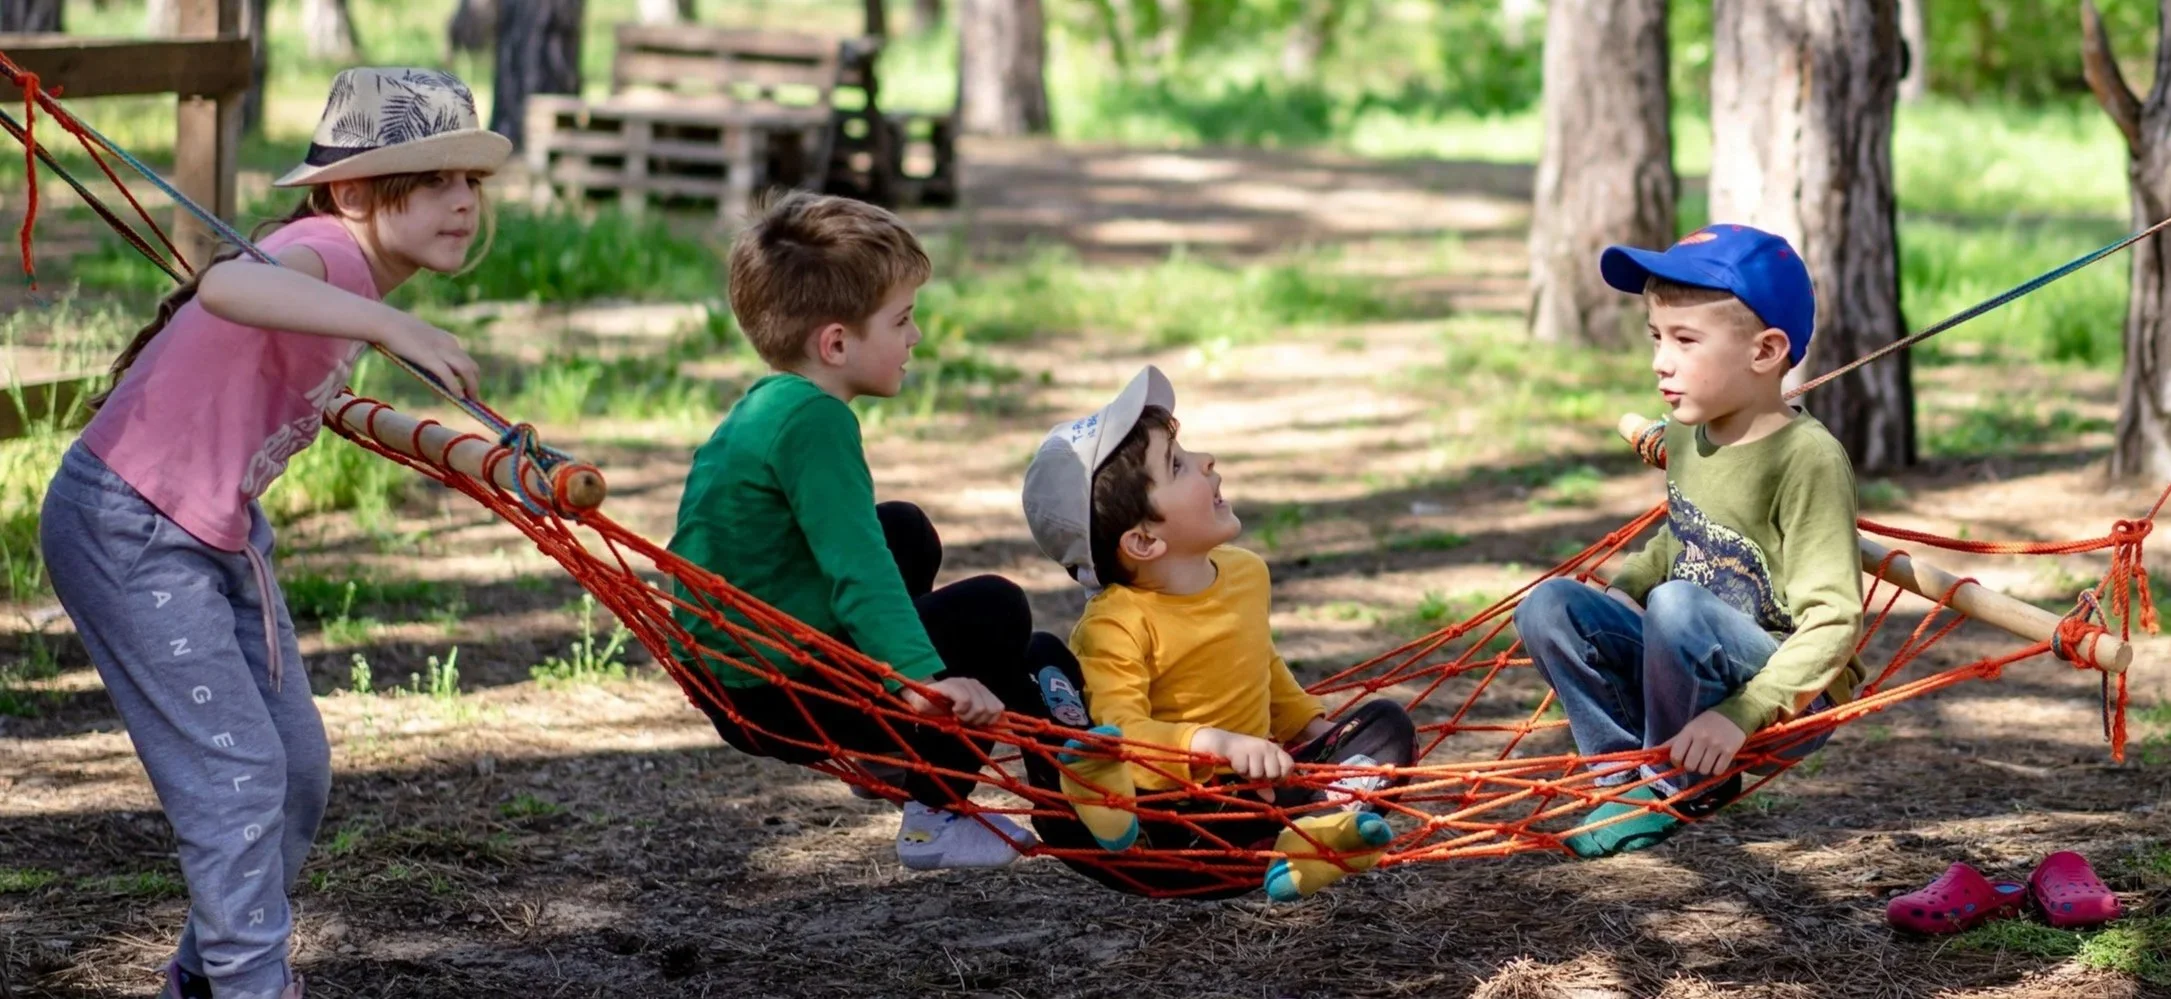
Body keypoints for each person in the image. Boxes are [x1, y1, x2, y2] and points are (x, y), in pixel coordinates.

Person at [40, 68, 507, 999]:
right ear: (351, 191)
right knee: (240, 774)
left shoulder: (341, 275)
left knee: (293, 771)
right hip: (129, 526)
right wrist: (388, 325)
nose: (463, 200)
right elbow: (228, 291)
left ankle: (206, 978)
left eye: (471, 180)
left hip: (211, 534)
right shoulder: (324, 255)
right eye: (433, 178)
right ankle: (254, 985)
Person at [668, 192, 1045, 873]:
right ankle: (936, 811)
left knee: (904, 526)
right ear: (836, 342)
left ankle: (886, 745)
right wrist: (923, 683)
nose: (915, 337)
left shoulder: (771, 402)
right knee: (996, 607)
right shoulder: (817, 423)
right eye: (901, 320)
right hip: (778, 694)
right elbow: (857, 567)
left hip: (732, 671)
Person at [1512, 224, 1867, 858]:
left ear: (1765, 352)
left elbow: (1834, 622)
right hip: (1687, 660)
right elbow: (1682, 535)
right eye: (1656, 337)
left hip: (1784, 699)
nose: (1659, 362)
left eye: (1684, 340)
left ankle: (1673, 786)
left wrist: (1742, 713)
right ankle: (1623, 782)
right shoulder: (1688, 433)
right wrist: (1623, 595)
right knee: (1548, 605)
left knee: (1676, 604)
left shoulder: (1808, 460)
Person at [1019, 365, 1417, 900]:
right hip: (1177, 826)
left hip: (1264, 796)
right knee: (1037, 658)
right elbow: (1123, 737)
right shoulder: (1116, 623)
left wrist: (1309, 728)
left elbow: (1260, 663)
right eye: (1177, 466)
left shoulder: (1245, 573)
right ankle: (1300, 836)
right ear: (1143, 541)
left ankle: (1315, 834)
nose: (1206, 461)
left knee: (1386, 725)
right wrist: (1216, 745)